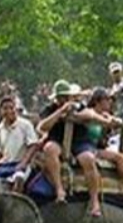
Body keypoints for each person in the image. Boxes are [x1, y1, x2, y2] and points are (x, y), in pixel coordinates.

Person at [36, 80, 101, 213]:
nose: (63, 100)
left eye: (66, 97)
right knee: (49, 149)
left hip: (79, 142)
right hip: (57, 140)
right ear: (56, 98)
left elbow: (90, 115)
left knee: (88, 159)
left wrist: (75, 115)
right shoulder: (50, 109)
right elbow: (42, 127)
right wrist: (60, 112)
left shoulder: (79, 106)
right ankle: (59, 189)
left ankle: (95, 200)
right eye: (60, 97)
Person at [0, 95, 40, 191]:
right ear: (1, 111)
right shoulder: (0, 128)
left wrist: (24, 162)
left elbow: (33, 145)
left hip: (20, 163)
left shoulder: (25, 125)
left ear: (15, 109)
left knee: (19, 178)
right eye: (5, 109)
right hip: (6, 165)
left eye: (11, 108)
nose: (9, 111)